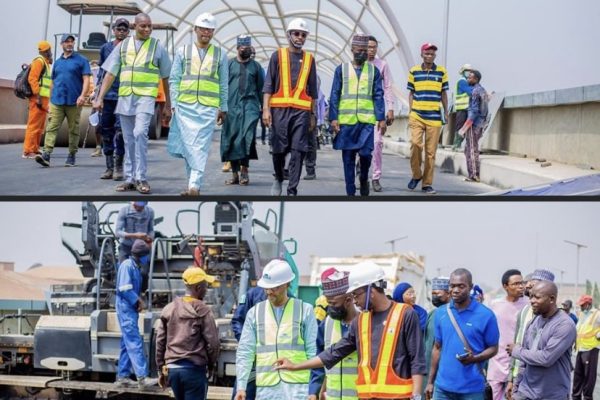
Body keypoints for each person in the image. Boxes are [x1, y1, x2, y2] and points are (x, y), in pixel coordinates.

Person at [275, 262, 426, 400]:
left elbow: (417, 360)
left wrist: (417, 396)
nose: (354, 301)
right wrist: (295, 366)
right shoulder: (361, 321)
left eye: (356, 295)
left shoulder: (405, 314)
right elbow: (334, 353)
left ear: (371, 290)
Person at [93, 12, 172, 195]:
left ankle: (141, 177)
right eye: (143, 26)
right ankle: (130, 178)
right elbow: (110, 74)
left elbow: (166, 77)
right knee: (128, 139)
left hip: (146, 97)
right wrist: (99, 98)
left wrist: (168, 104)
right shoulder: (123, 46)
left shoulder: (157, 47)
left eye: (149, 26)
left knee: (140, 134)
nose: (147, 29)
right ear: (134, 27)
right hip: (126, 98)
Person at [234, 259, 317, 400]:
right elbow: (245, 352)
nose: (269, 292)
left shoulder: (305, 310)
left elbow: (313, 352)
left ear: (287, 284)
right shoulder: (255, 313)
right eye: (267, 288)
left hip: (298, 390)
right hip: (267, 389)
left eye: (274, 288)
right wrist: (241, 386)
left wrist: (313, 390)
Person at [167, 13, 228, 196]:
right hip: (185, 107)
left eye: (210, 30)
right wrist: (174, 105)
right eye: (203, 29)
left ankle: (194, 185)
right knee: (188, 147)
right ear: (195, 30)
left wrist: (222, 108)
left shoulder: (220, 55)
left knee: (199, 147)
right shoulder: (182, 51)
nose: (206, 33)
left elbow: (223, 84)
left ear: (213, 32)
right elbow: (174, 79)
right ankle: (193, 185)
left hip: (207, 108)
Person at [263, 18, 318, 196]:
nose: (300, 37)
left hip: (301, 113)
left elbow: (313, 92)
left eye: (303, 34)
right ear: (289, 35)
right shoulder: (277, 56)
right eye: (296, 33)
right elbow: (268, 85)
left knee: (298, 151)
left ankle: (292, 190)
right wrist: (265, 110)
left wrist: (312, 115)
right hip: (279, 111)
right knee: (278, 150)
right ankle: (279, 178)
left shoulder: (310, 59)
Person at [425, 268, 499, 400]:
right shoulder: (441, 313)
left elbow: (494, 348)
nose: (455, 290)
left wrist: (475, 359)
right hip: (442, 389)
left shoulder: (486, 315)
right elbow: (437, 347)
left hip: (472, 390)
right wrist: (430, 382)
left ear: (470, 287)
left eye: (461, 286)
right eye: (452, 286)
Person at [330, 34, 386, 196]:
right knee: (347, 159)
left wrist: (380, 118)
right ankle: (350, 191)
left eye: (364, 50)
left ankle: (363, 177)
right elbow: (335, 94)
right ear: (352, 50)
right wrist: (334, 118)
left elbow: (378, 95)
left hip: (366, 123)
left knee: (366, 155)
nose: (362, 53)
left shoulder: (374, 71)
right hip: (346, 122)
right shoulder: (341, 70)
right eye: (359, 50)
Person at [155, 266, 220, 400]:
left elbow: (160, 341)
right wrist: (211, 364)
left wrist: (161, 369)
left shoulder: (169, 309)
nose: (206, 289)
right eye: (205, 286)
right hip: (193, 371)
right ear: (198, 288)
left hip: (173, 371)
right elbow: (213, 343)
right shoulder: (203, 310)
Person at [506, 281, 576, 400]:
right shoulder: (533, 322)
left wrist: (517, 351)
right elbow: (524, 362)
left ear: (552, 299)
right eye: (531, 296)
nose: (532, 300)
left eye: (537, 297)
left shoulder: (564, 324)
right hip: (526, 393)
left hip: (552, 395)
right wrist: (516, 388)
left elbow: (546, 358)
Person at [35, 34, 91, 167]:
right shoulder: (58, 62)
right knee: (52, 127)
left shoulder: (81, 60)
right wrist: (49, 100)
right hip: (57, 101)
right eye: (67, 42)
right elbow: (53, 82)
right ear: (62, 44)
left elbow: (86, 79)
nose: (70, 44)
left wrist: (82, 96)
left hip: (74, 101)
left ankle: (71, 155)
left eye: (71, 42)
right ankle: (46, 154)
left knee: (74, 129)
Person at [309, 268, 359, 400]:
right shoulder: (327, 324)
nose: (330, 308)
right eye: (328, 303)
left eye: (334, 304)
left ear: (348, 300)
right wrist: (314, 391)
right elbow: (319, 359)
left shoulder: (366, 323)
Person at [221, 35, 264, 186]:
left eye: (247, 47)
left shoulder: (256, 67)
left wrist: (265, 109)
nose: (244, 49)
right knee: (231, 139)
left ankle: (244, 170)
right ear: (237, 47)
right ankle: (234, 174)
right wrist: (220, 108)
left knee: (247, 137)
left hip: (250, 106)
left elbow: (261, 89)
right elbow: (222, 87)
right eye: (242, 47)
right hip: (231, 107)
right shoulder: (228, 64)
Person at [406, 43, 449, 195]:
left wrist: (446, 112)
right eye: (427, 53)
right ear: (422, 54)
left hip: (434, 117)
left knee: (431, 153)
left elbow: (443, 93)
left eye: (432, 54)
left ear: (435, 56)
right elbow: (411, 93)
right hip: (417, 114)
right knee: (416, 145)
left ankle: (427, 184)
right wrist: (411, 111)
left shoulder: (441, 72)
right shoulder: (414, 71)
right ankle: (417, 174)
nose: (429, 56)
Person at [506, 269, 555, 397]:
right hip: (519, 377)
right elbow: (517, 343)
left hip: (539, 383)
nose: (526, 286)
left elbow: (546, 357)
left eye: (532, 284)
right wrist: (511, 379)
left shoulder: (555, 318)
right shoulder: (524, 311)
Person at [115, 239, 154, 388]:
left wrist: (137, 301)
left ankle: (123, 376)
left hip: (129, 308)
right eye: (146, 255)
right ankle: (142, 378)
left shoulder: (135, 267)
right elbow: (124, 289)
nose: (147, 259)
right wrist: (137, 301)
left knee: (126, 343)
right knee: (134, 341)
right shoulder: (127, 266)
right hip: (125, 308)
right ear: (140, 255)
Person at [96, 17, 130, 180]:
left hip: (123, 95)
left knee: (120, 132)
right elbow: (102, 72)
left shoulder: (131, 48)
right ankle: (109, 167)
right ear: (114, 30)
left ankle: (118, 167)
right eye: (119, 29)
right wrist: (98, 95)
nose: (121, 32)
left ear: (128, 32)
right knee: (106, 130)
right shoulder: (105, 48)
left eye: (124, 29)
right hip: (108, 96)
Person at [487, 269, 528, 400]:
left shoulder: (529, 305)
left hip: (519, 364)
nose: (521, 286)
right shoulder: (495, 305)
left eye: (522, 283)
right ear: (505, 286)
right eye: (516, 284)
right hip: (496, 364)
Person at [367, 35, 395, 193]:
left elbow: (388, 87)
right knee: (361, 145)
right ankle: (361, 167)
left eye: (374, 47)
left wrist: (390, 108)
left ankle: (376, 177)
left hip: (377, 111)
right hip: (360, 112)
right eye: (369, 47)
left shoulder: (382, 65)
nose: (371, 50)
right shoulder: (358, 65)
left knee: (377, 143)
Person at [22, 41, 53, 159]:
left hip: (43, 98)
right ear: (45, 51)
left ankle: (34, 148)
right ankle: (27, 151)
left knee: (39, 126)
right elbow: (32, 79)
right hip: (37, 98)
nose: (51, 52)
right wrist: (38, 96)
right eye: (49, 50)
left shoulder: (45, 62)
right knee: (33, 125)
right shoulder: (39, 61)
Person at [458, 70, 488, 183]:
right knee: (469, 148)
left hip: (474, 124)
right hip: (480, 124)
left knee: (471, 149)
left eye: (470, 77)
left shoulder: (475, 92)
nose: (467, 79)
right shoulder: (483, 90)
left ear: (475, 79)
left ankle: (474, 175)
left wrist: (465, 126)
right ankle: (473, 174)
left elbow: (474, 111)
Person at [423, 277, 450, 396]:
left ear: (448, 294)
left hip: (441, 375)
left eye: (438, 293)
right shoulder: (432, 314)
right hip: (427, 371)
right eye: (433, 293)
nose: (434, 296)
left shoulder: (450, 314)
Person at [573, 294, 600, 400]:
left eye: (582, 305)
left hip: (591, 349)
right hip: (580, 349)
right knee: (578, 375)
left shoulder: (597, 314)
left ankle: (587, 397)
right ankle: (576, 396)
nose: (581, 307)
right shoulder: (582, 314)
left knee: (589, 377)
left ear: (588, 304)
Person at [452, 64, 473, 151]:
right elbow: (470, 92)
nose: (469, 73)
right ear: (463, 72)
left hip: (466, 108)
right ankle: (456, 145)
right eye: (467, 71)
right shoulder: (462, 81)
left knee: (465, 126)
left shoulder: (467, 82)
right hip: (462, 108)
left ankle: (460, 145)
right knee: (460, 126)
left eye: (470, 71)